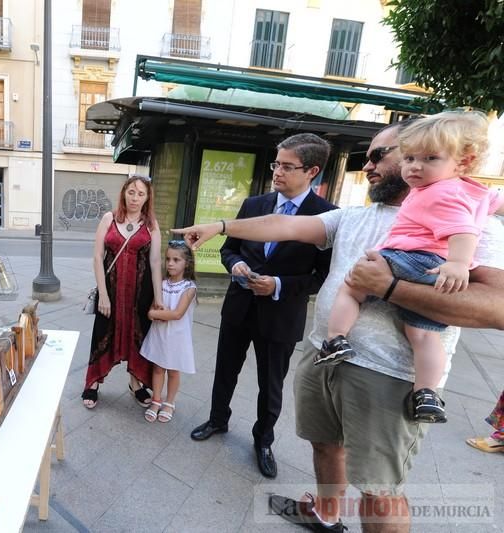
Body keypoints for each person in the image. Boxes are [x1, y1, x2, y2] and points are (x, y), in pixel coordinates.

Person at [173, 121, 504, 532]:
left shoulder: (473, 223)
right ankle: (327, 514)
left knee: (379, 491)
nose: (369, 164)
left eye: (380, 154)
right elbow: (285, 225)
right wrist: (221, 227)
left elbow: (498, 308)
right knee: (325, 445)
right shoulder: (352, 216)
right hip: (325, 355)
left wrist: (391, 286)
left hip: (389, 376)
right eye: (369, 155)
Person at [319, 112, 504, 425]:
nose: (415, 166)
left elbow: (460, 229)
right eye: (409, 158)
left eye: (430, 158)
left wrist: (459, 263)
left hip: (409, 259)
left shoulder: (436, 192)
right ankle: (427, 393)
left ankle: (336, 339)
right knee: (422, 335)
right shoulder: (477, 192)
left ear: (463, 162)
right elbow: (495, 204)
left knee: (351, 287)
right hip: (435, 271)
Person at [189, 133, 337, 480]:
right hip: (239, 306)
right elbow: (230, 249)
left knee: (271, 383)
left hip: (282, 315)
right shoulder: (254, 205)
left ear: (312, 171)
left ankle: (263, 441)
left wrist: (279, 285)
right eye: (276, 164)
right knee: (226, 369)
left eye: (288, 166)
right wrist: (235, 264)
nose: (277, 172)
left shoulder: (327, 217)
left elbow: (323, 275)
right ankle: (217, 419)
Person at [82, 174, 163, 409]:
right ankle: (93, 382)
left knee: (140, 336)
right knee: (102, 333)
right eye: (131, 192)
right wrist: (103, 295)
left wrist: (158, 298)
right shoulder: (109, 218)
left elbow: (155, 262)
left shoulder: (151, 224)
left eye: (140, 194)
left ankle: (135, 383)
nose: (135, 198)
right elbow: (97, 257)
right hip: (111, 291)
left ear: (147, 198)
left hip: (140, 295)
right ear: (123, 193)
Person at [140, 240, 197, 424]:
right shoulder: (162, 284)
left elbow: (177, 314)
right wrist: (156, 314)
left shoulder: (189, 288)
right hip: (159, 335)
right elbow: (150, 312)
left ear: (186, 263)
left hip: (177, 336)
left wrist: (158, 314)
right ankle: (156, 400)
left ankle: (169, 402)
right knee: (158, 368)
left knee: (173, 370)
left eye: (176, 260)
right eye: (168, 259)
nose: (170, 263)